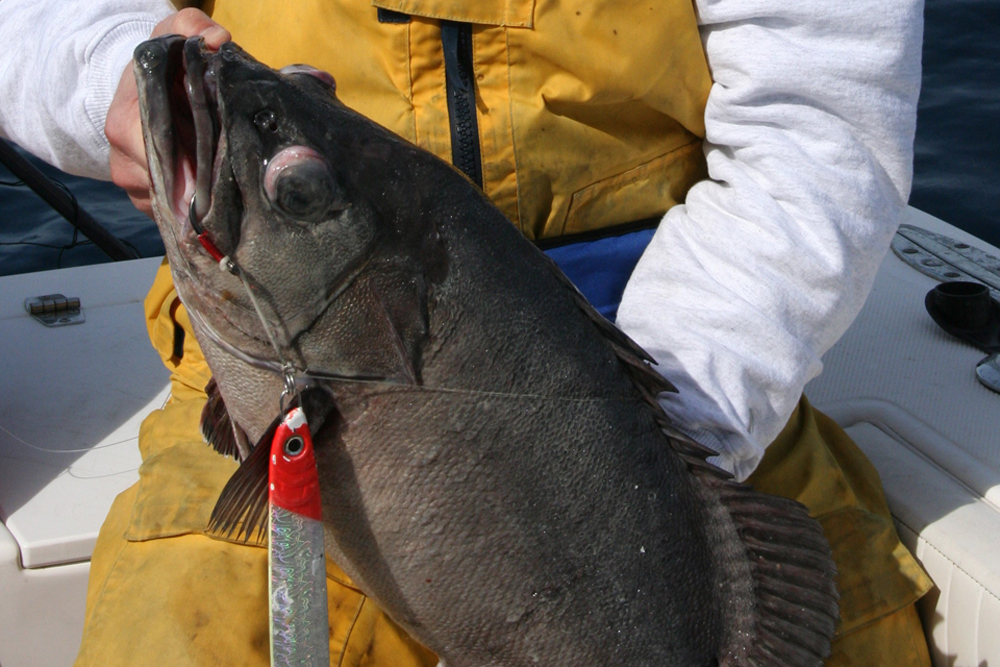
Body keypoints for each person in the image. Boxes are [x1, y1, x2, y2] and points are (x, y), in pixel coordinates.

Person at [0, 0, 933, 665]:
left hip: (705, 386)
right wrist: (107, 75)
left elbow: (822, 120)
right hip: (276, 390)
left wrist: (635, 456)